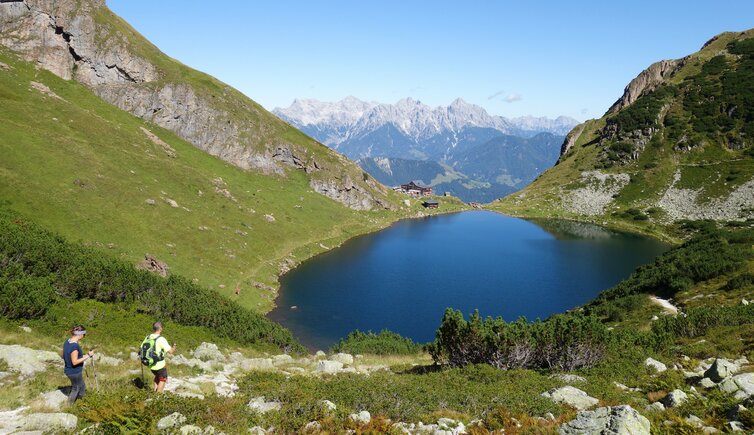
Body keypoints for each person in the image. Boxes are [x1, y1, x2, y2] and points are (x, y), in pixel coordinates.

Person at [63, 325, 95, 404]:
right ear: (80, 334)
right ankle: (69, 405)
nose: (84, 336)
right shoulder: (74, 346)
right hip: (74, 372)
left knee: (82, 386)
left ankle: (81, 401)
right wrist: (88, 356)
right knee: (76, 388)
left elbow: (66, 355)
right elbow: (74, 362)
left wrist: (83, 357)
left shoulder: (67, 341)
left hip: (69, 369)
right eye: (84, 335)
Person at [141, 322, 176, 393]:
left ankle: (155, 392)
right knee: (163, 379)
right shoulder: (161, 339)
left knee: (157, 376)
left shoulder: (147, 337)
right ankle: (158, 397)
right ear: (160, 329)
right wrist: (174, 345)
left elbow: (142, 348)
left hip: (150, 364)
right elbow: (171, 351)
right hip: (159, 364)